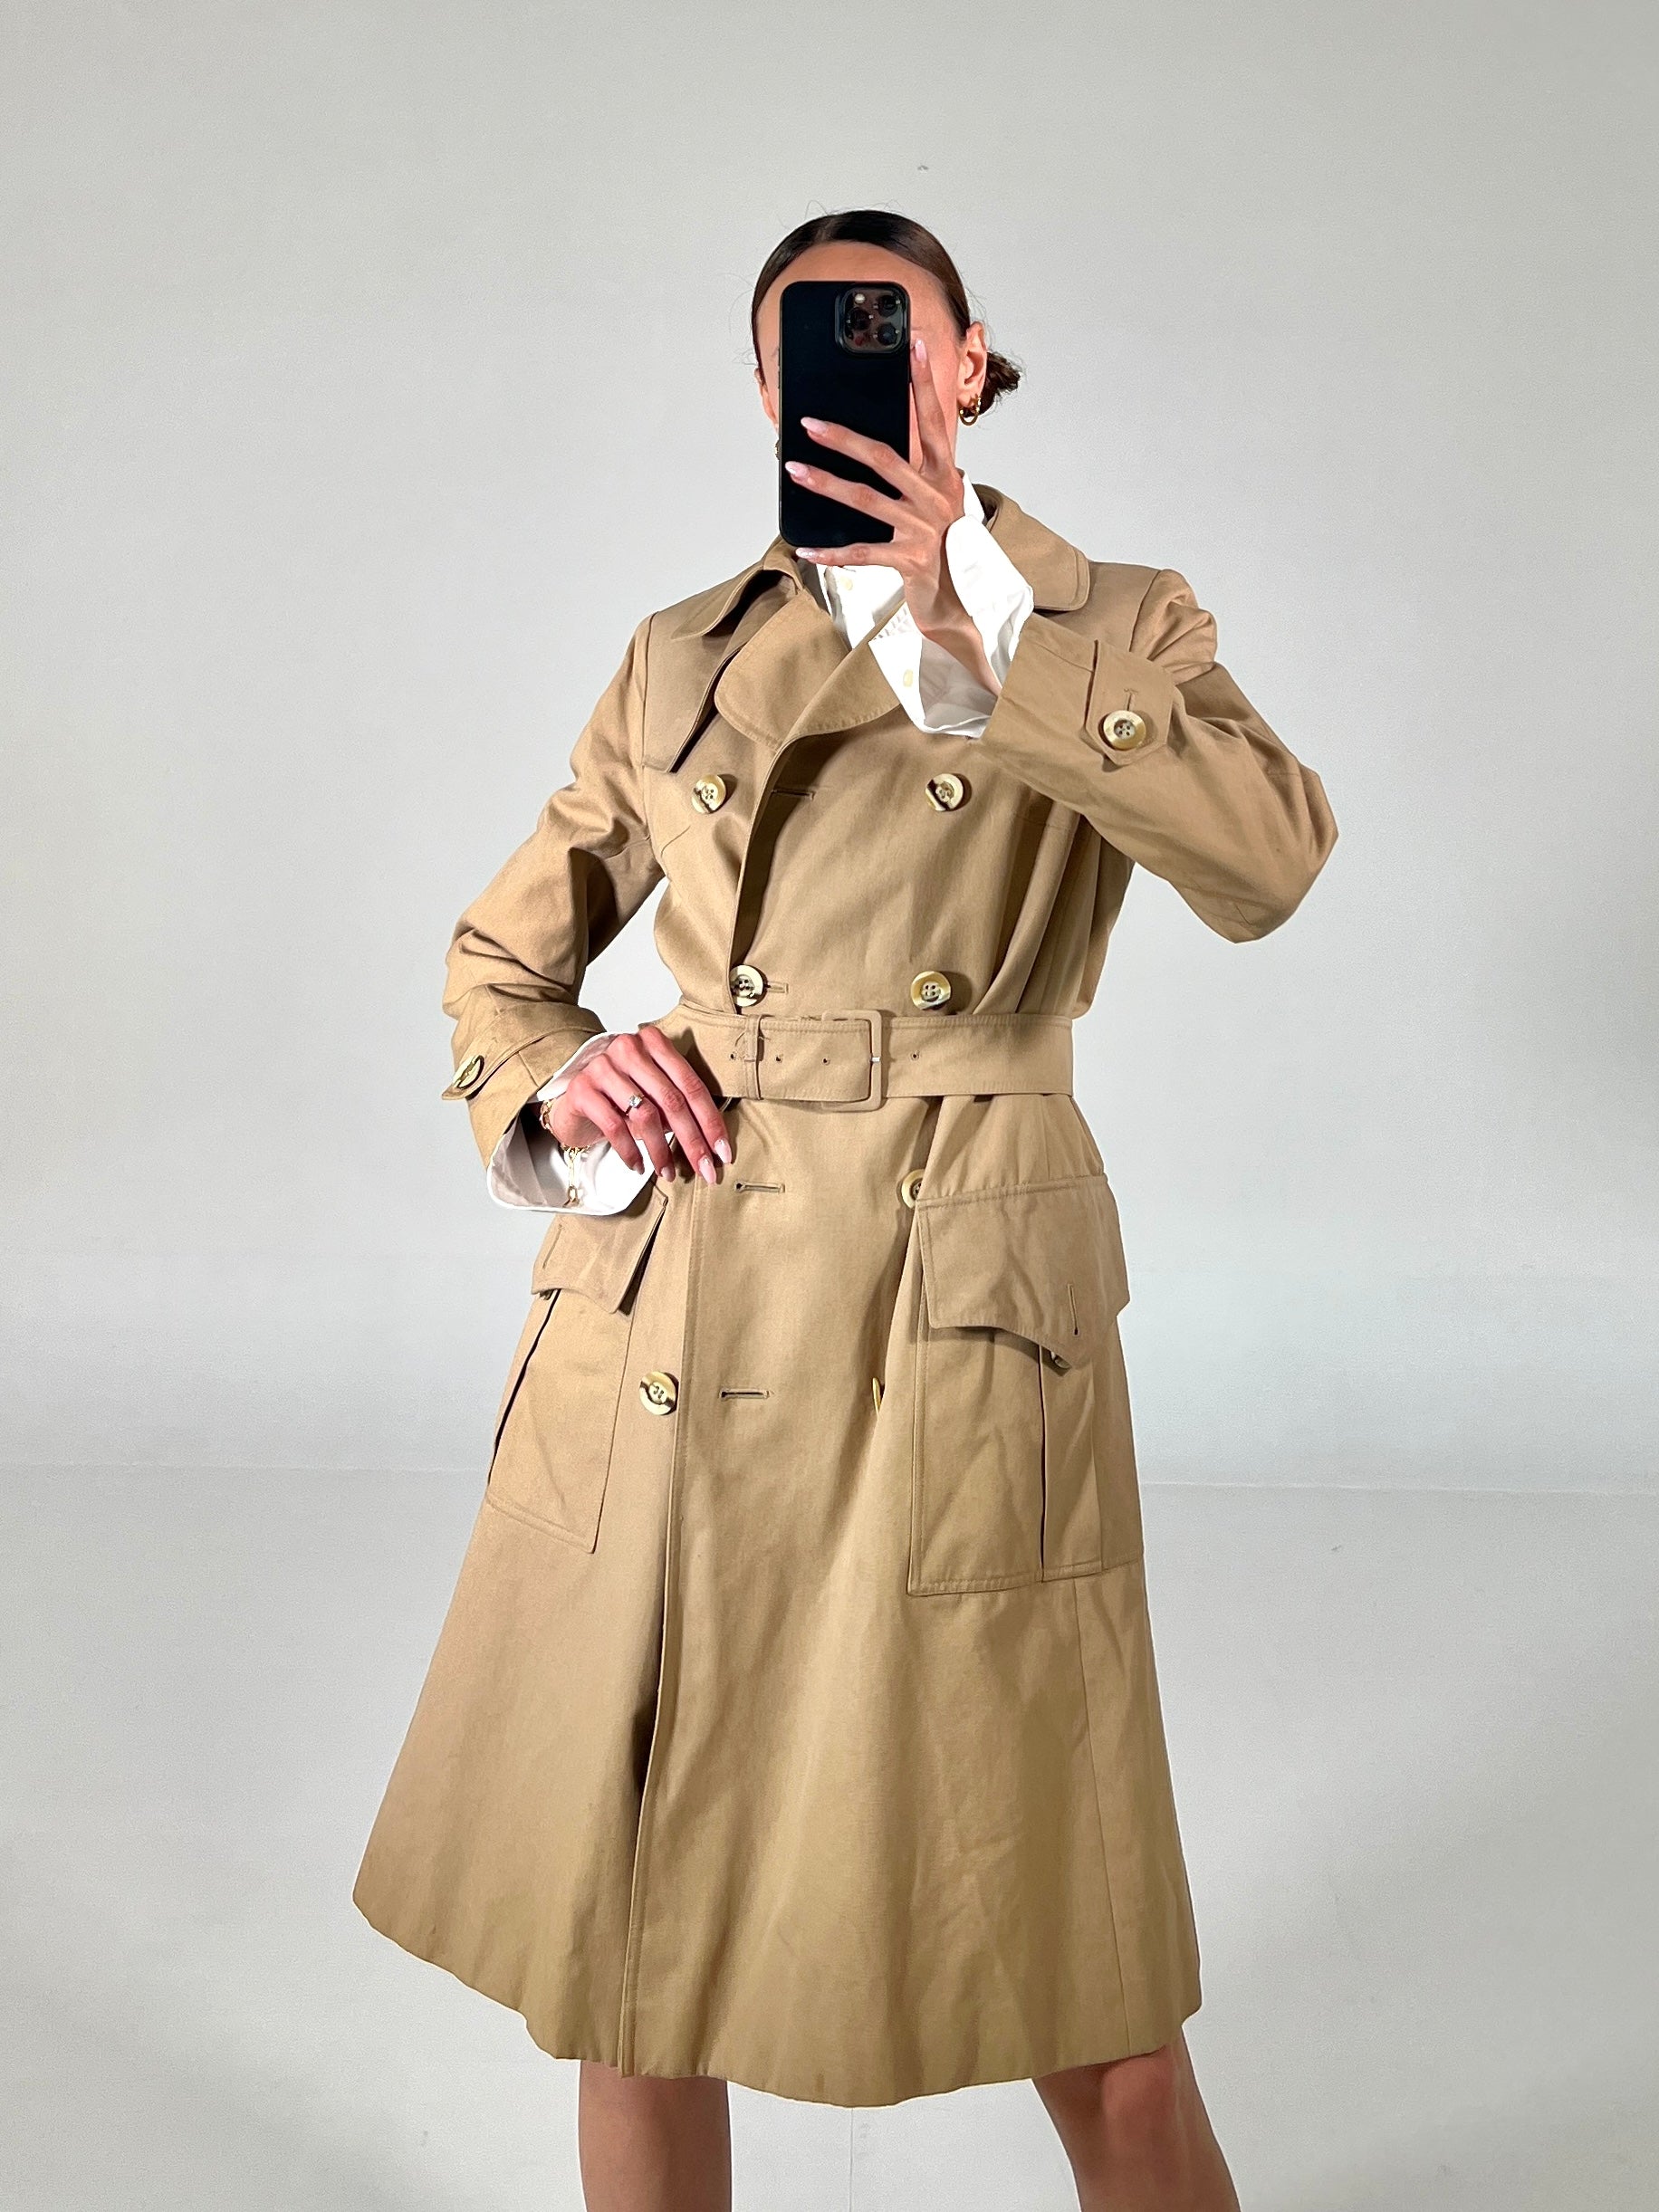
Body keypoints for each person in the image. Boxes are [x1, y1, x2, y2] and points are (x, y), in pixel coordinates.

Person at [352, 208, 1338, 2211]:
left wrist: (980, 621)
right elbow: (498, 965)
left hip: (951, 1311)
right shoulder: (682, 653)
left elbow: (1269, 863)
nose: (861, 379)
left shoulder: (1113, 620)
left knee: (1082, 1971)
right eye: (810, 352)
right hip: (683, 1291)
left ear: (969, 366)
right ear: (763, 395)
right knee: (629, 1957)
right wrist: (560, 1075)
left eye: (896, 340)